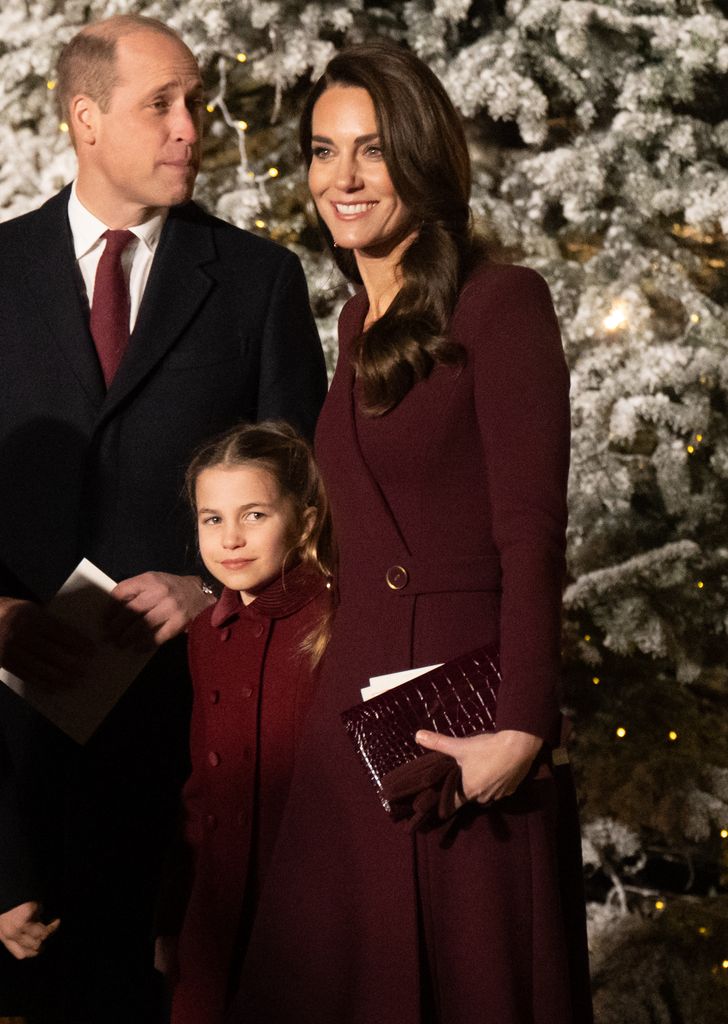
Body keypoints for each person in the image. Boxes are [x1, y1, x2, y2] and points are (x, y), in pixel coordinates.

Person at [231, 42, 593, 1024]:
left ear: (422, 161)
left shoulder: (500, 301)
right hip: (351, 732)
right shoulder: (351, 321)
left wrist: (518, 728)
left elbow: (531, 534)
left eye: (371, 151)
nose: (339, 178)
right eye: (321, 150)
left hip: (461, 735)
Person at [0, 13, 326, 1024]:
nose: (192, 126)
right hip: (14, 755)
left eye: (195, 101)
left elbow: (310, 499)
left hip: (191, 746)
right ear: (85, 118)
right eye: (162, 105)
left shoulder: (257, 282)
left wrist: (210, 582)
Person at [155, 421, 334, 1024]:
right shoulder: (205, 637)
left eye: (254, 515)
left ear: (304, 522)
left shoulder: (337, 620)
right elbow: (200, 789)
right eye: (212, 519)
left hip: (311, 920)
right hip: (217, 919)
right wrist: (174, 916)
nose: (230, 538)